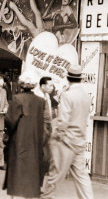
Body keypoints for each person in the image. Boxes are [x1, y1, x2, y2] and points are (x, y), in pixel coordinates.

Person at [42, 65, 94, 199]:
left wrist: (54, 136)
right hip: (79, 142)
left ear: (67, 78)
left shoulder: (67, 95)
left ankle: (46, 197)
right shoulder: (85, 96)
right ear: (80, 79)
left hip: (65, 141)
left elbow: (63, 121)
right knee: (82, 177)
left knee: (54, 175)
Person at [3, 71, 45, 198]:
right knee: (32, 169)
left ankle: (15, 196)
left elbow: (10, 120)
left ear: (21, 84)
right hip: (35, 141)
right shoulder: (41, 101)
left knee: (17, 169)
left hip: (19, 139)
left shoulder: (17, 99)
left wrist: (8, 134)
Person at [34, 77, 54, 177]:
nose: (52, 87)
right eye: (50, 85)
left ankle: (42, 171)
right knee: (40, 150)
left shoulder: (47, 95)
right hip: (41, 125)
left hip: (48, 125)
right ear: (42, 86)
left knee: (46, 149)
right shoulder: (38, 96)